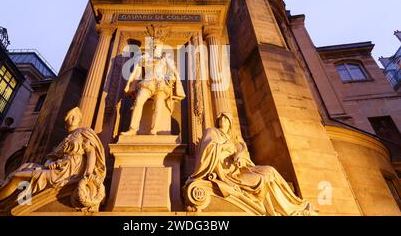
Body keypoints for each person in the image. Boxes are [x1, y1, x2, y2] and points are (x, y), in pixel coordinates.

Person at [0, 107, 106, 216]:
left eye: (72, 117)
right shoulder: (67, 139)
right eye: (68, 118)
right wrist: (50, 164)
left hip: (69, 172)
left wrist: (87, 174)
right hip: (58, 169)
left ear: (78, 119)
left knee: (17, 177)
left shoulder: (84, 133)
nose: (70, 120)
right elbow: (51, 157)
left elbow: (91, 153)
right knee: (25, 168)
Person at [186, 112, 317, 216]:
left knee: (270, 171)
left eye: (226, 119)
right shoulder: (212, 132)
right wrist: (224, 147)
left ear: (230, 123)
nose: (222, 121)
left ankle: (292, 206)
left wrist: (239, 158)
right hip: (226, 175)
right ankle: (274, 210)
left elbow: (246, 160)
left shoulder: (235, 140)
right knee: (262, 179)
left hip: (240, 171)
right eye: (221, 118)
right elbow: (207, 152)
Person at [122, 39, 185, 135]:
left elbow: (174, 72)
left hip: (161, 85)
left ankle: (154, 129)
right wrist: (130, 85)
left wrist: (173, 78)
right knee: (138, 101)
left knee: (158, 103)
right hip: (147, 84)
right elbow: (136, 72)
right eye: (154, 46)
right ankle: (132, 129)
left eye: (157, 46)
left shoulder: (165, 59)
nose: (155, 48)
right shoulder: (144, 59)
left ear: (160, 48)